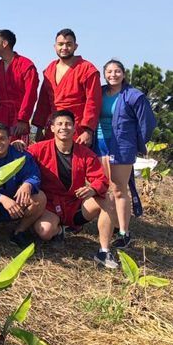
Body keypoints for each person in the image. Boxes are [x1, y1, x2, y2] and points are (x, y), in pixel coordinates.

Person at [28, 111, 118, 269]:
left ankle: (104, 252)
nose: (64, 127)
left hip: (75, 204)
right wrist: (16, 147)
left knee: (108, 200)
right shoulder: (38, 149)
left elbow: (101, 180)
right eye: (60, 124)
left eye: (68, 124)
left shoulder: (85, 154)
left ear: (75, 128)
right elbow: (21, 161)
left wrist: (92, 189)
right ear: (53, 128)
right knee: (44, 232)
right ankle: (57, 231)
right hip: (50, 205)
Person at [93, 60, 157, 248]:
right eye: (109, 72)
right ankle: (111, 224)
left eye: (117, 71)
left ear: (123, 73)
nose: (113, 75)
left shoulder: (134, 95)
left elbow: (148, 122)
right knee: (105, 188)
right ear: (104, 74)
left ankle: (124, 232)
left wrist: (136, 143)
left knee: (119, 189)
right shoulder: (99, 92)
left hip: (121, 145)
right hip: (100, 144)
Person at [32, 29, 102, 146]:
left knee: (76, 162)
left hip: (76, 127)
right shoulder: (50, 69)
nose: (64, 48)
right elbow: (43, 102)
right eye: (60, 44)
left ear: (75, 46)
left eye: (69, 44)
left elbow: (93, 102)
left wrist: (88, 130)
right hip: (53, 126)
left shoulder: (87, 69)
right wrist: (39, 127)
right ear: (55, 46)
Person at [0, 30, 39, 144]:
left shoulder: (26, 66)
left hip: (17, 117)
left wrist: (23, 119)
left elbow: (30, 95)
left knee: (18, 152)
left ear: (5, 43)